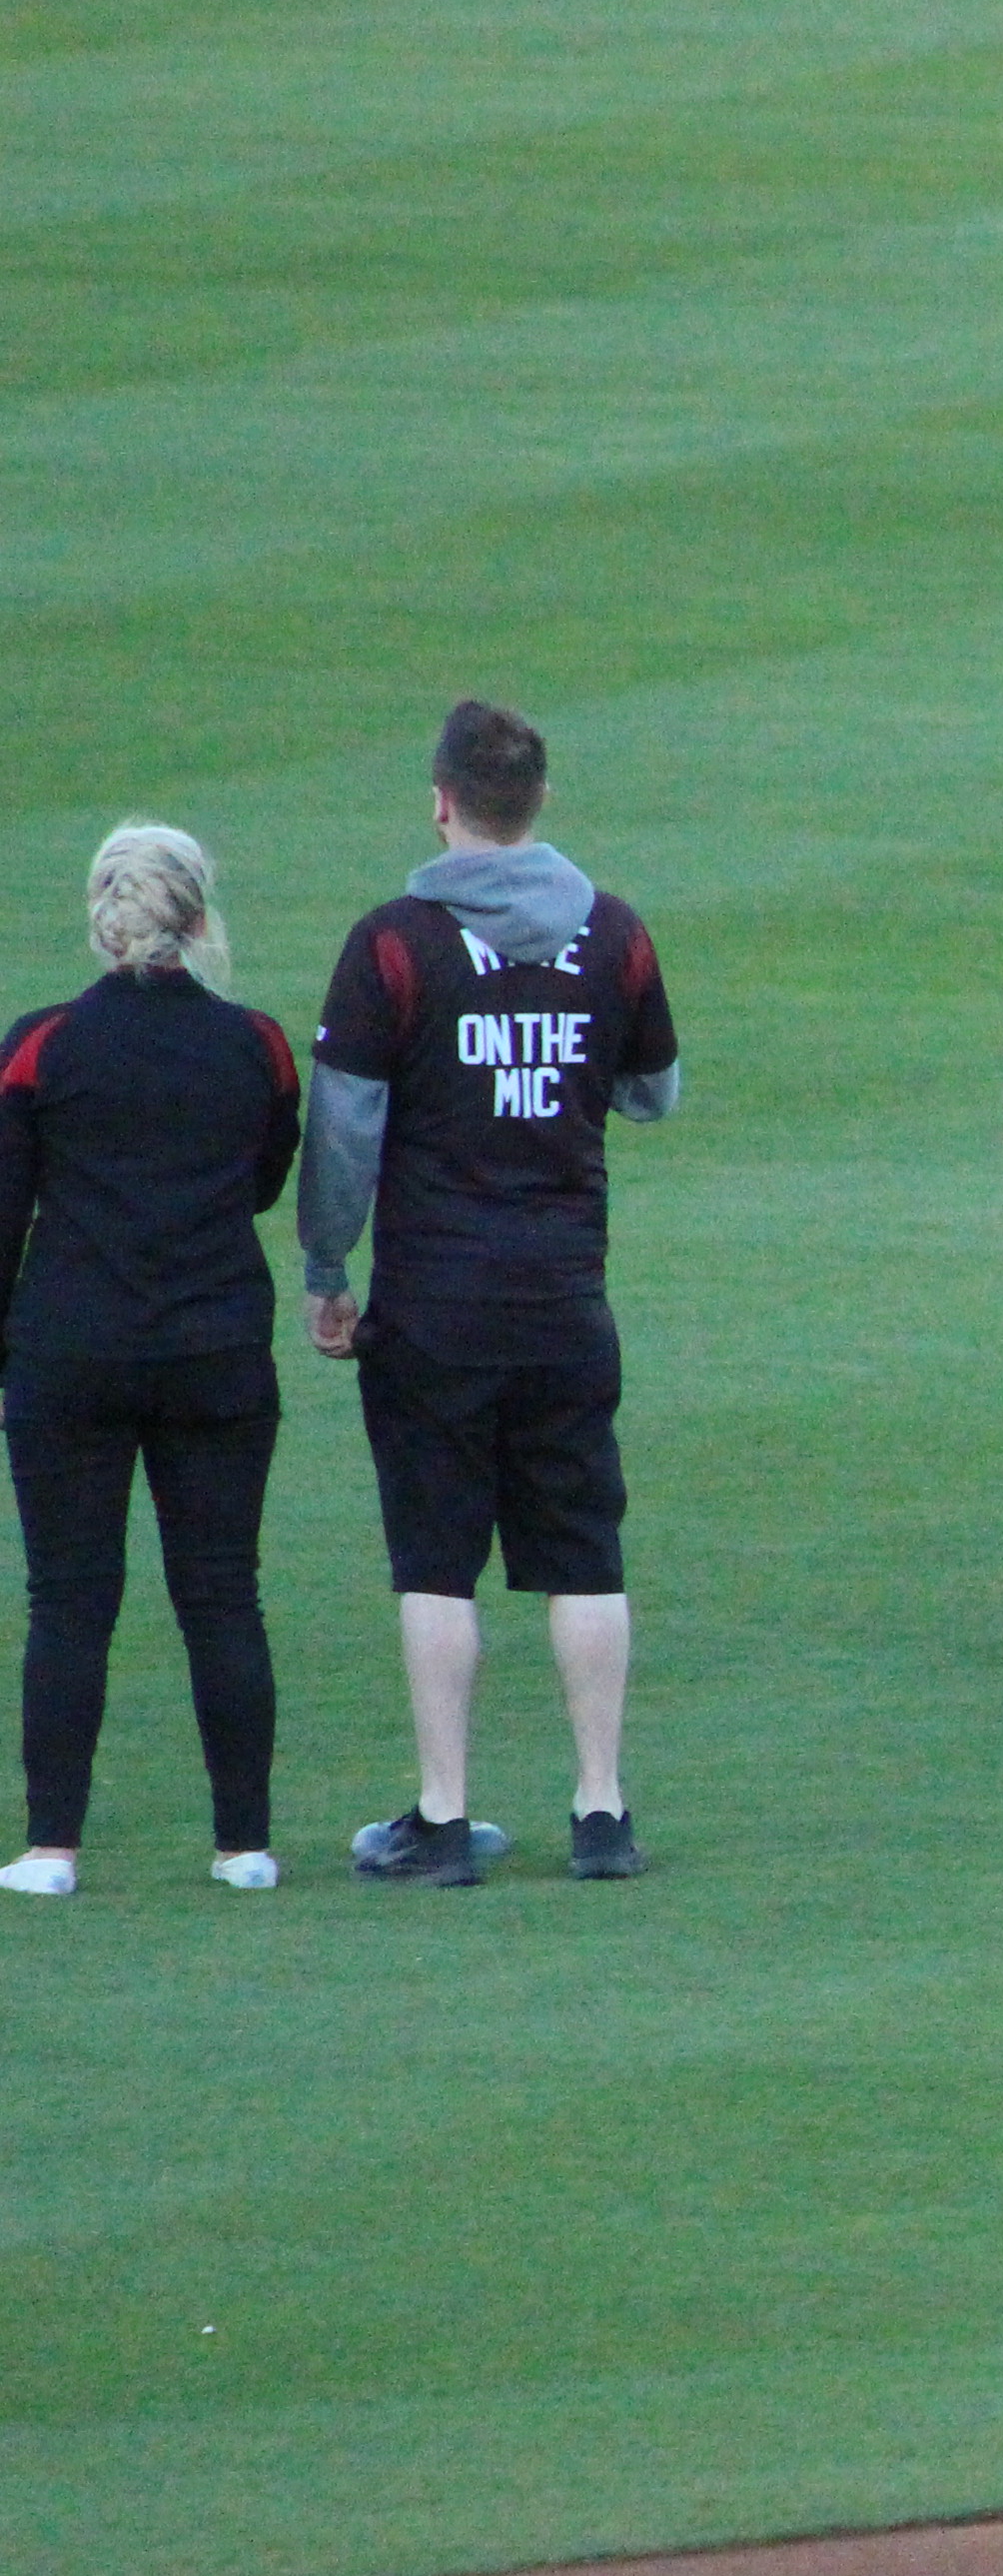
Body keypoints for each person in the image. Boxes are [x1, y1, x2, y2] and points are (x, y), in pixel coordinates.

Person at [302, 698, 683, 1885]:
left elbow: (345, 1131)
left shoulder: (394, 945)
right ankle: (602, 1812)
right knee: (586, 1555)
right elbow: (654, 1094)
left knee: (435, 1562)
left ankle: (445, 1817)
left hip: (433, 1306)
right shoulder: (613, 932)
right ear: (539, 801)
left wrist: (326, 1269)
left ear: (441, 802)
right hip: (566, 1299)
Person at [1, 825, 298, 1899]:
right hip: (215, 1348)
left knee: (69, 1601)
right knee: (222, 1595)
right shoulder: (254, 1043)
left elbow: (4, 1214)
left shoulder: (42, 1044)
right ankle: (244, 1846)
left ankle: (52, 1850)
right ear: (199, 916)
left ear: (101, 916)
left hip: (71, 1350)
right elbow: (264, 1180)